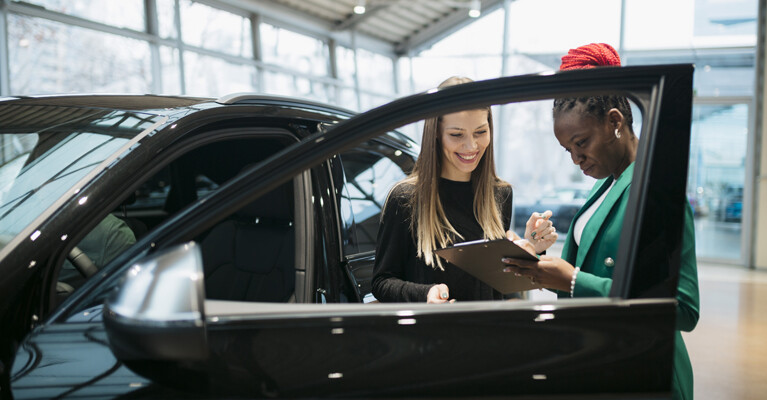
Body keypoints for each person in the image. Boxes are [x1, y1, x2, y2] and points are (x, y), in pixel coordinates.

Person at [500, 43, 700, 400]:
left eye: (582, 142)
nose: (576, 158)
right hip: (606, 360)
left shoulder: (655, 189)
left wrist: (574, 280)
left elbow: (683, 310)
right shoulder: (606, 185)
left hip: (645, 371)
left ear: (614, 121)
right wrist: (537, 262)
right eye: (568, 150)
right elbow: (591, 270)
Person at [371, 76, 557, 304]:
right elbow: (382, 282)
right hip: (433, 335)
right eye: (457, 135)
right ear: (436, 134)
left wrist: (530, 250)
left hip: (489, 332)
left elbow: (499, 283)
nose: (471, 146)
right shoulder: (405, 198)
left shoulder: (500, 194)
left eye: (480, 132)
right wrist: (425, 294)